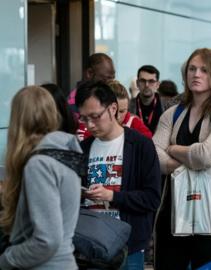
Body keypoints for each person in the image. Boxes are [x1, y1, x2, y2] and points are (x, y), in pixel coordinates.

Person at [153, 48, 211, 269]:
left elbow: (205, 155)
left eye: (204, 70)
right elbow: (155, 155)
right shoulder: (172, 113)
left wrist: (172, 148)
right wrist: (185, 162)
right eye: (192, 69)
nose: (197, 74)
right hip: (172, 211)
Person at [76, 81, 161, 269]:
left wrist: (113, 196)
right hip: (90, 246)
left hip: (128, 246)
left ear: (113, 108)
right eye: (84, 118)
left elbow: (152, 198)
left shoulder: (140, 145)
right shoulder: (83, 148)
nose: (90, 125)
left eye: (95, 116)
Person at [0, 86, 82, 269]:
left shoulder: (40, 164)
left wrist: (6, 259)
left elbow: (47, 241)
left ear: (18, 121)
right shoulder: (64, 154)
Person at [133, 65, 164, 134]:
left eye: (151, 81)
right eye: (143, 81)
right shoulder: (128, 106)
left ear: (157, 84)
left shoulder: (167, 107)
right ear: (137, 83)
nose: (146, 85)